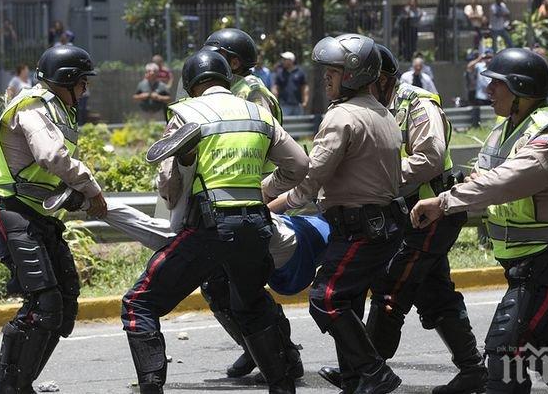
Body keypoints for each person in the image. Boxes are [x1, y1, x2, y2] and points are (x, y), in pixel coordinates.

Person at [121, 50, 309, 394]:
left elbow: (169, 186)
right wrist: (262, 188)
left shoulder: (187, 112)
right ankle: (283, 386)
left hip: (209, 228)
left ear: (192, 84)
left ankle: (150, 387)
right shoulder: (257, 112)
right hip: (255, 225)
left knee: (139, 302)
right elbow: (299, 165)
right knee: (251, 305)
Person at [410, 48, 548, 392]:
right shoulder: (504, 131)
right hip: (527, 262)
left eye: (497, 84)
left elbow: (504, 182)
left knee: (506, 349)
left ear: (521, 89)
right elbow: (480, 179)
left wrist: (444, 202)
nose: (488, 90)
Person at [317, 43, 487, 394]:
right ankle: (472, 367)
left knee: (391, 285)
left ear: (379, 79)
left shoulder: (418, 104)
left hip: (432, 211)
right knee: (432, 289)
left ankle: (368, 370)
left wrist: (380, 175)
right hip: (404, 214)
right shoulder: (373, 106)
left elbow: (431, 158)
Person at [268, 33, 406, 394]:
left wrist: (268, 206)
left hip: (361, 229)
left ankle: (374, 373)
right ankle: (354, 376)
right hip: (381, 226)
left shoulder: (342, 117)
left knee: (325, 298)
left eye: (333, 70)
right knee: (349, 300)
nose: (325, 76)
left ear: (353, 75)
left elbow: (308, 183)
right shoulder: (381, 112)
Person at [0, 45, 107, 394]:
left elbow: (47, 172)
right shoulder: (33, 107)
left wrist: (74, 194)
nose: (85, 90)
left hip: (36, 213)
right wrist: (92, 190)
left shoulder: (57, 109)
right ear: (66, 81)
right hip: (9, 210)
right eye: (81, 83)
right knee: (44, 303)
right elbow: (51, 156)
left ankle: (19, 383)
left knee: (64, 302)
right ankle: (9, 385)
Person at [196, 28, 301, 382]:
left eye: (216, 56)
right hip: (225, 202)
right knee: (225, 285)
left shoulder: (252, 93)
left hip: (252, 199)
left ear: (234, 62)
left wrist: (265, 194)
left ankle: (281, 356)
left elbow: (256, 149)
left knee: (240, 288)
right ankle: (257, 349)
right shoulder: (228, 92)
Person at [272, 51, 308, 117]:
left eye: (285, 59)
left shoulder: (300, 72)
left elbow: (304, 88)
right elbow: (275, 88)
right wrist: (275, 103)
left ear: (291, 61)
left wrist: (305, 101)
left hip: (298, 105)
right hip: (284, 106)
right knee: (285, 125)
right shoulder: (280, 73)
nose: (283, 61)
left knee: (298, 125)